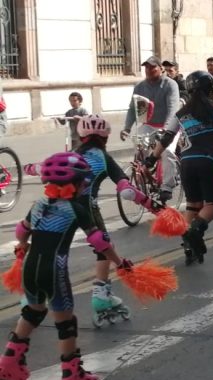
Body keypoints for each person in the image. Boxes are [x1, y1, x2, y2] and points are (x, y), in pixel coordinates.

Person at [0, 152, 131, 380]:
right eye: (84, 182)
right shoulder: (77, 209)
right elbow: (100, 242)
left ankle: (8, 362)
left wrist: (23, 245)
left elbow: (21, 230)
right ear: (75, 184)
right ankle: (73, 379)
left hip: (29, 268)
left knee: (33, 312)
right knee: (66, 323)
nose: (86, 186)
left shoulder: (39, 204)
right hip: (54, 271)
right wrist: (120, 262)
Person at [23, 115, 159, 326]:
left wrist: (28, 168)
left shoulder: (73, 156)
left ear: (81, 136)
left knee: (45, 246)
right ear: (105, 138)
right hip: (86, 207)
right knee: (104, 246)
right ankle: (101, 295)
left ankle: (30, 296)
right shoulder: (104, 157)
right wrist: (152, 205)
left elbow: (46, 167)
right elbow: (126, 190)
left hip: (59, 203)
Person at [146, 71, 213, 266]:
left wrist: (152, 159)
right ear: (210, 90)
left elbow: (167, 138)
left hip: (187, 164)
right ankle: (195, 230)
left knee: (193, 205)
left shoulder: (180, 114)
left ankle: (188, 246)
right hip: (208, 162)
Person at [120, 56, 180, 203]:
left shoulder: (170, 84)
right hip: (149, 124)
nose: (149, 70)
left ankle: (167, 186)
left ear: (161, 69)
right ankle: (144, 177)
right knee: (139, 147)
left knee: (167, 151)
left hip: (169, 126)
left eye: (152, 67)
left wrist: (166, 129)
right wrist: (127, 128)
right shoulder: (140, 87)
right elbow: (134, 109)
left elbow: (172, 108)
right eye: (146, 67)